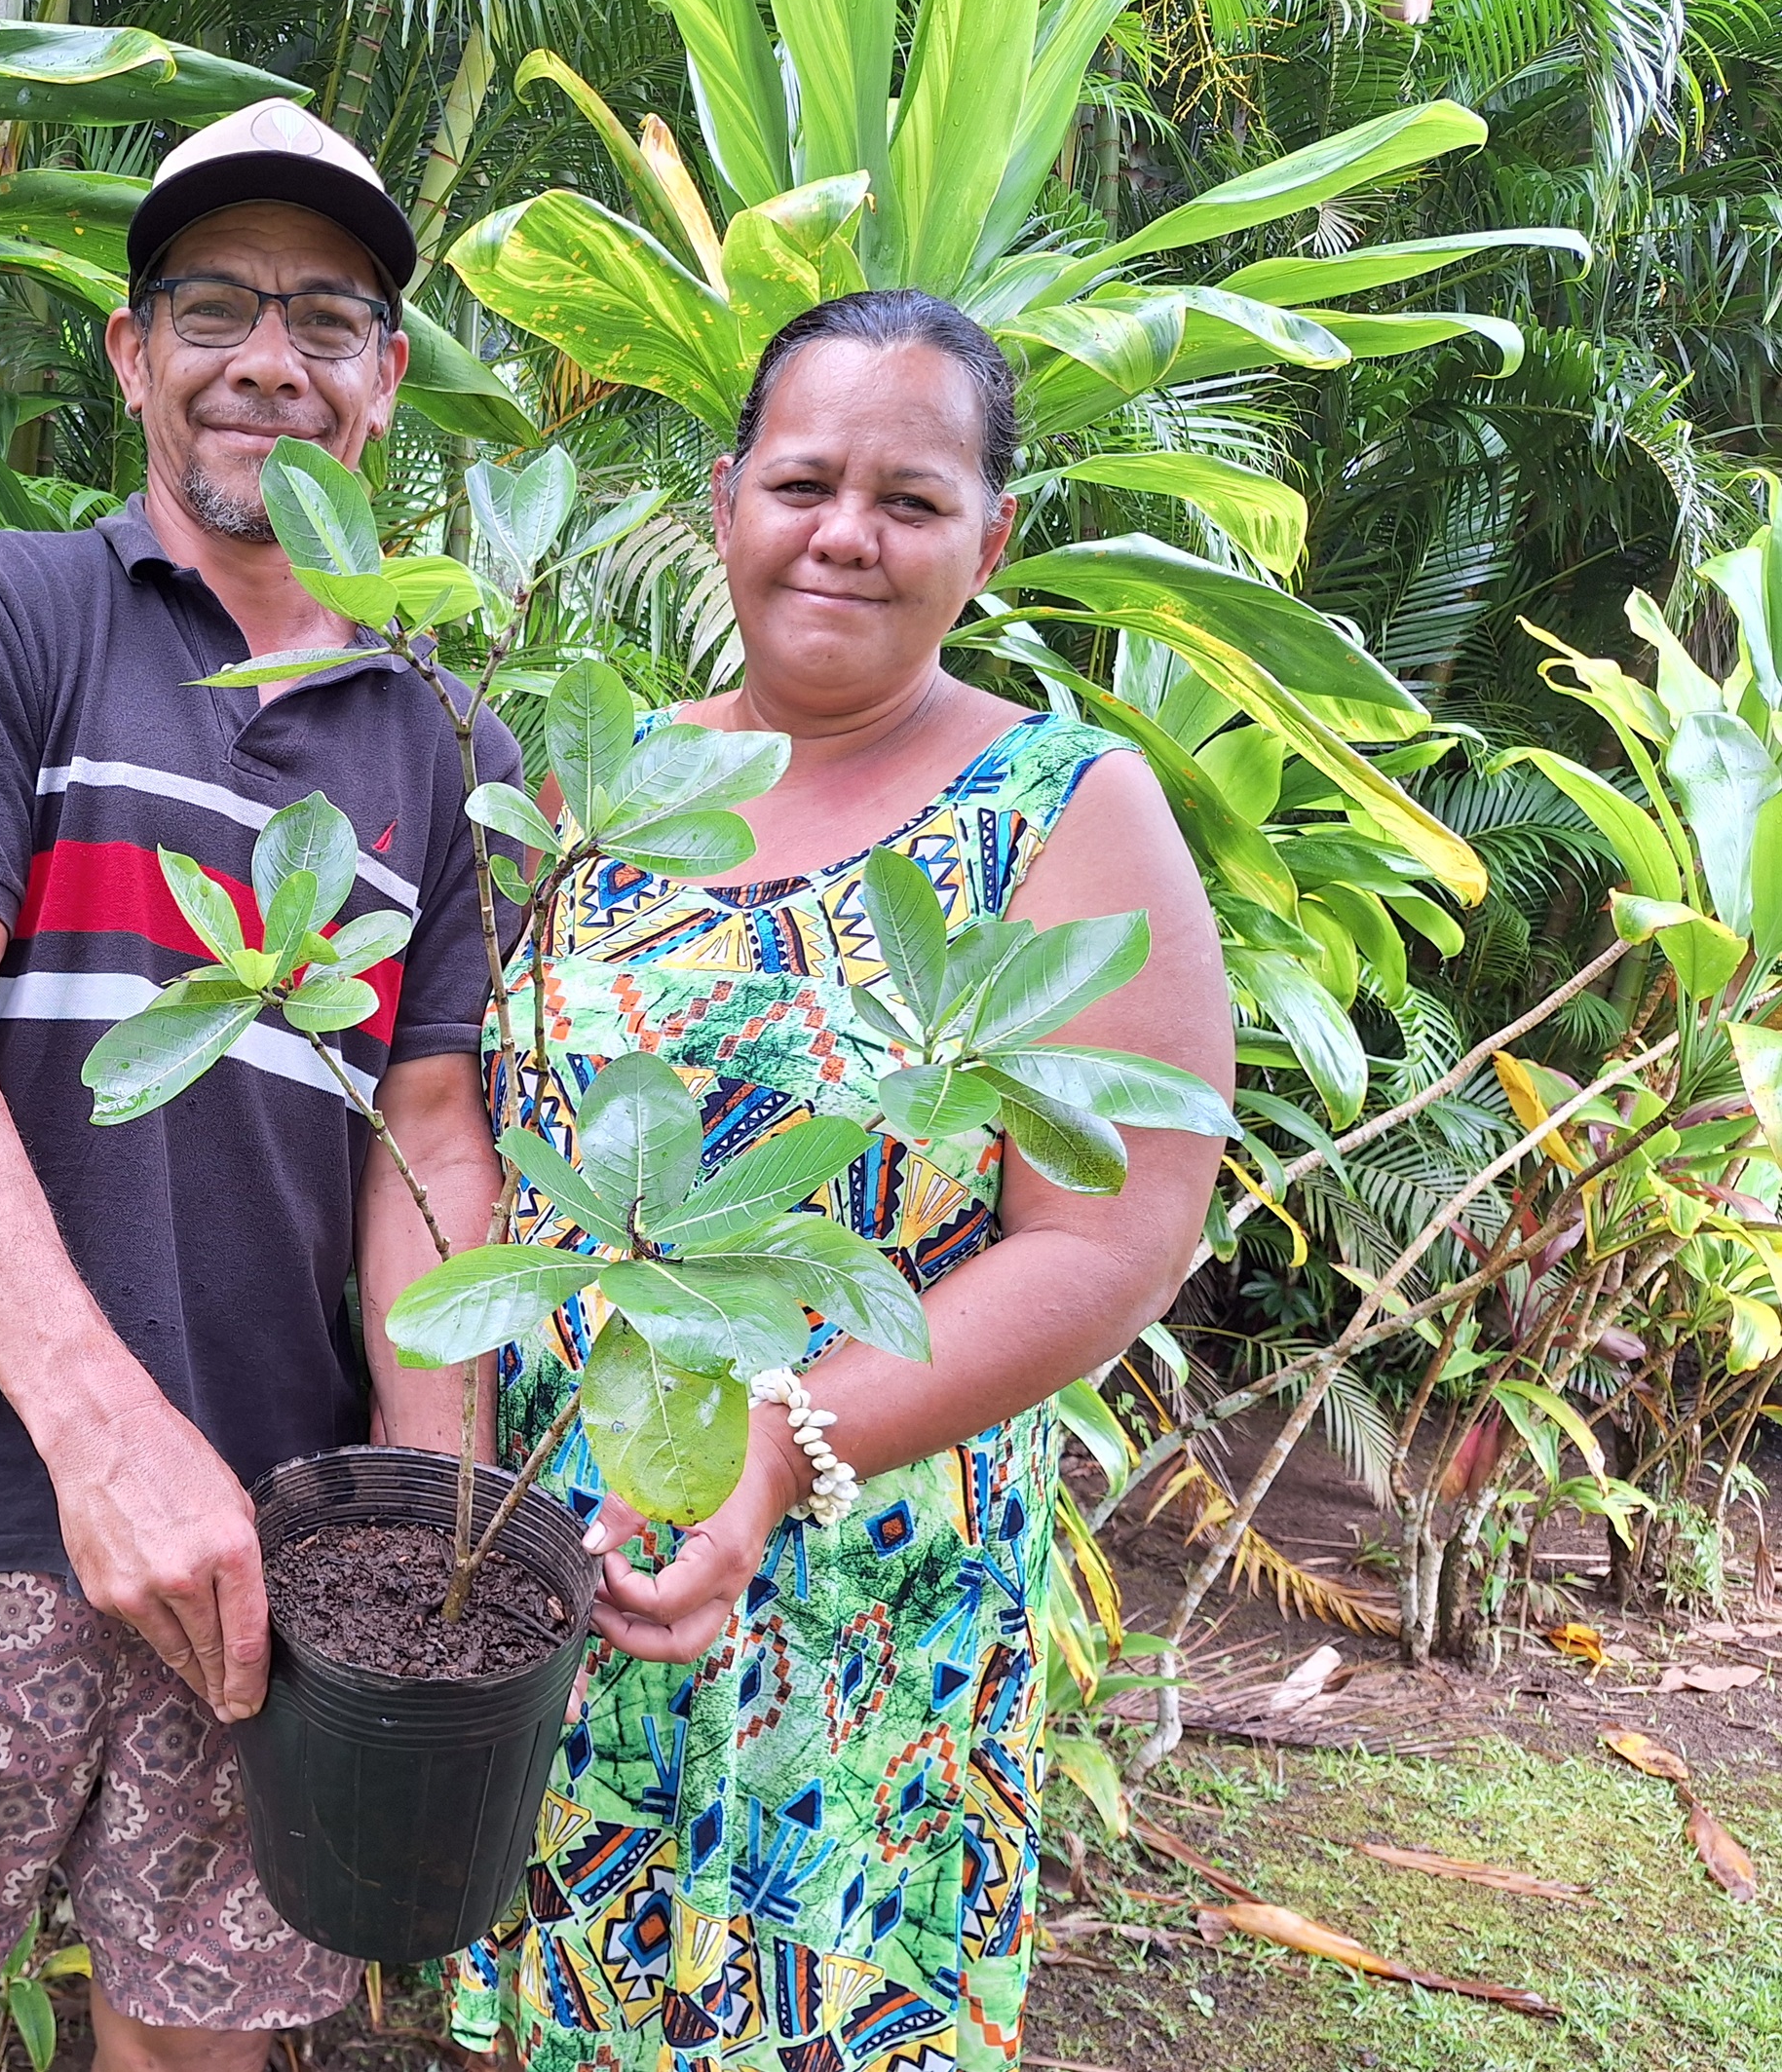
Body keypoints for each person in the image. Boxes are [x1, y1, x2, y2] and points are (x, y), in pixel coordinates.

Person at [0, 101, 515, 2071]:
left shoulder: (437, 737)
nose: (267, 361)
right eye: (213, 307)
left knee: (196, 2042)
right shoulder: (7, 620)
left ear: (385, 386)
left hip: (272, 1549)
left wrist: (434, 1537)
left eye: (327, 319)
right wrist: (107, 1439)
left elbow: (432, 1147)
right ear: (134, 353)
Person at [448, 291, 1233, 2072]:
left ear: (990, 534)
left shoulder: (1066, 808)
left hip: (861, 1609)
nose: (845, 534)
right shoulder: (610, 785)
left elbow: (1117, 1232)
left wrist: (778, 1454)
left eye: (912, 496)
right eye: (803, 480)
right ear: (725, 500)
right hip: (574, 1569)